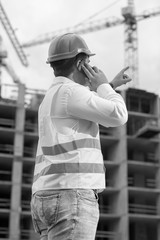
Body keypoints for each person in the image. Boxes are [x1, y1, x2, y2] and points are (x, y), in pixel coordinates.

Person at [30, 33, 131, 240]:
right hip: (71, 195)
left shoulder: (53, 95)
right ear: (80, 63)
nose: (91, 66)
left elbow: (88, 105)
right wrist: (102, 86)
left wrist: (109, 85)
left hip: (46, 195)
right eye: (88, 61)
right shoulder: (71, 92)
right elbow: (119, 115)